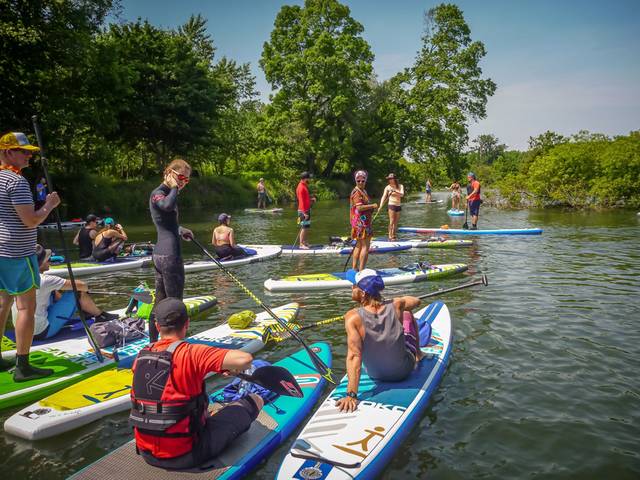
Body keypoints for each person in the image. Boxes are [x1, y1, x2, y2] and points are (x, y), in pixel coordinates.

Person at [129, 297, 264, 470]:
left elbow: (168, 382)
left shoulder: (142, 355)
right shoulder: (193, 352)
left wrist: (209, 368)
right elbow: (245, 359)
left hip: (146, 453)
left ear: (157, 326)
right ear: (187, 323)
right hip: (187, 455)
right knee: (255, 399)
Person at [0, 131, 61, 381]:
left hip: (0, 250)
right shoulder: (16, 182)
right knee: (26, 306)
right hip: (18, 252)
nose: (28, 156)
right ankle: (23, 366)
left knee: (2, 303)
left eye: (30, 152)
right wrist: (49, 205)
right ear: (7, 152)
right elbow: (31, 220)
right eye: (22, 151)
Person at [335, 269, 423, 413]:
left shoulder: (351, 317)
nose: (352, 288)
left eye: (354, 285)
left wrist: (351, 395)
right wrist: (397, 301)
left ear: (363, 293)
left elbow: (354, 356)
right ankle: (419, 354)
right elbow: (416, 301)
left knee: (358, 350)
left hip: (374, 374)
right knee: (407, 315)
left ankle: (418, 353)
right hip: (403, 372)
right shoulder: (397, 304)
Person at [148, 158, 194, 343]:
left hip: (161, 255)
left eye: (186, 180)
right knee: (175, 305)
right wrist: (174, 187)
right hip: (169, 257)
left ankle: (153, 343)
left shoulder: (166, 193)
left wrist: (181, 230)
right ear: (169, 173)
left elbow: (165, 221)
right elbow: (166, 207)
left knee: (160, 302)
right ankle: (176, 347)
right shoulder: (159, 193)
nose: (183, 182)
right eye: (181, 177)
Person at [34, 244, 118, 340]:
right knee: (77, 292)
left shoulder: (20, 278)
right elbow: (82, 285)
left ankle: (87, 310)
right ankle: (99, 315)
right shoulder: (46, 280)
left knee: (54, 291)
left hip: (23, 331)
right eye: (48, 260)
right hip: (43, 332)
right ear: (40, 263)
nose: (50, 261)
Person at [350, 170, 377, 271]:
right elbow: (359, 208)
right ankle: (361, 271)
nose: (360, 182)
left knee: (359, 245)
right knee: (365, 246)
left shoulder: (363, 191)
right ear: (355, 181)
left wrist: (370, 209)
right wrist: (373, 205)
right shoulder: (357, 192)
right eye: (358, 180)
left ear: (366, 181)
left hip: (362, 223)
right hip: (361, 225)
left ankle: (354, 269)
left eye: (363, 180)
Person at [377, 173, 404, 241]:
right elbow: (384, 196)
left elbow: (402, 195)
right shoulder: (387, 187)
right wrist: (380, 205)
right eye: (389, 179)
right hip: (391, 204)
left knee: (396, 222)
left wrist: (395, 191)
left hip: (398, 205)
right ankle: (390, 235)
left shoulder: (400, 186)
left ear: (394, 179)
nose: (390, 180)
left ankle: (394, 235)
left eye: (391, 179)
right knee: (391, 221)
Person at [295, 171, 316, 249]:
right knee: (303, 227)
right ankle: (301, 244)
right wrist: (304, 213)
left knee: (306, 227)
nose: (309, 179)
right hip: (303, 211)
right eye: (308, 178)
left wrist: (311, 200)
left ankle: (304, 242)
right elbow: (301, 200)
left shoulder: (304, 185)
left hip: (306, 210)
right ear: (305, 178)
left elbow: (305, 198)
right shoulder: (300, 187)